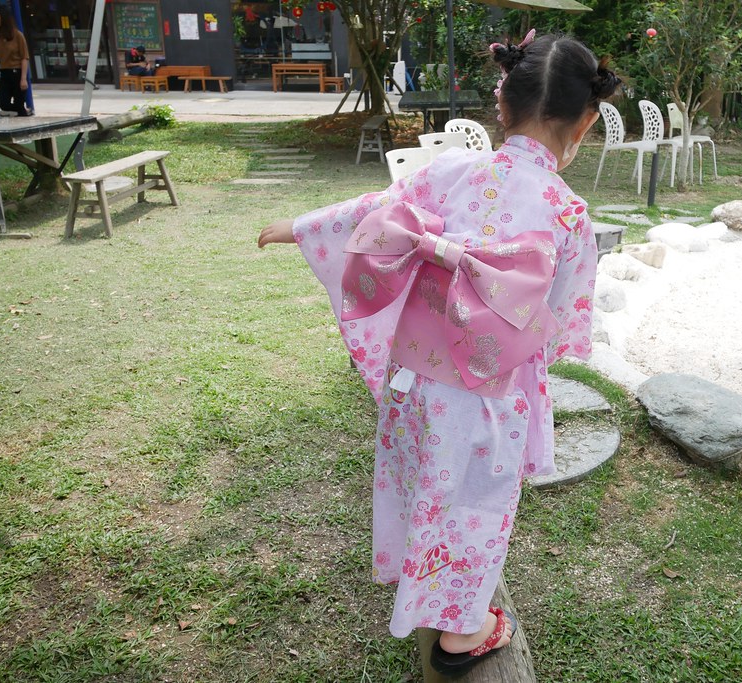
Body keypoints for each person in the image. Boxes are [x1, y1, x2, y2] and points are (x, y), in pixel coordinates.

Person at [258, 31, 619, 678]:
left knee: (422, 481)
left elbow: (375, 211)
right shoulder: (568, 215)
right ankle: (466, 630)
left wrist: (302, 227)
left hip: (414, 383)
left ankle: (419, 582)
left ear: (501, 103)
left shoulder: (452, 170)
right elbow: (558, 322)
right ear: (585, 123)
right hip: (487, 393)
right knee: (477, 505)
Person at [0, 5, 30, 117]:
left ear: (3, 18)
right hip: (4, 72)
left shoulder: (18, 35)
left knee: (19, 103)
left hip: (17, 72)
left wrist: (23, 79)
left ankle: (23, 113)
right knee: (3, 103)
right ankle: (23, 111)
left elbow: (25, 57)